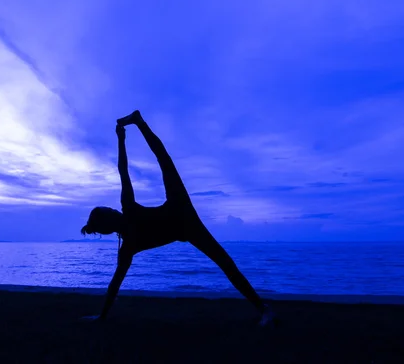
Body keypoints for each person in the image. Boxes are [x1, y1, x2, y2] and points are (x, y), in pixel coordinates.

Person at [80, 110, 275, 326]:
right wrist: (121, 138)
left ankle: (262, 309)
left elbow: (123, 169)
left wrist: (102, 317)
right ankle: (262, 309)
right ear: (110, 221)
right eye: (109, 210)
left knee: (163, 159)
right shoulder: (127, 240)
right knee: (226, 264)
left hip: (180, 211)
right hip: (184, 217)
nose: (113, 209)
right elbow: (122, 170)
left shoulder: (127, 244)